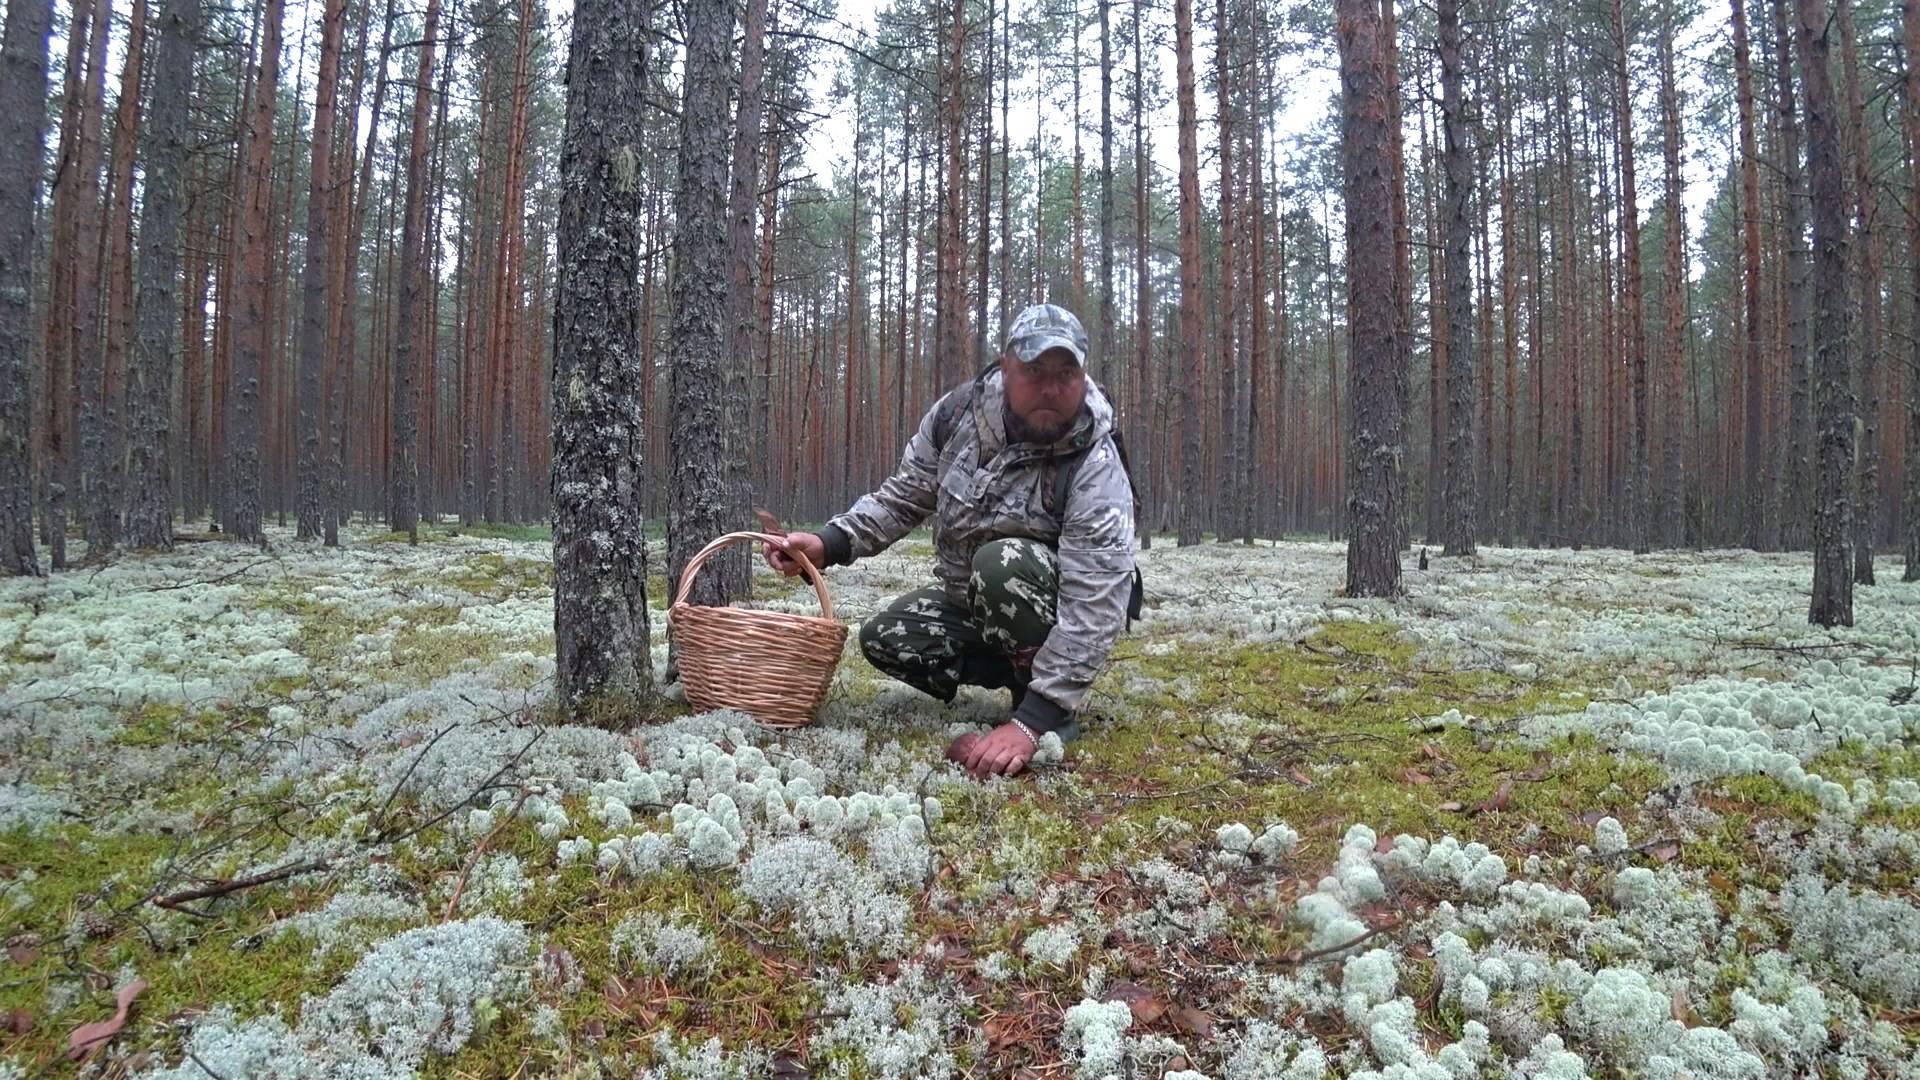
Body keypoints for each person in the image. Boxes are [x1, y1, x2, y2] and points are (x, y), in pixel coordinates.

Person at [766, 303, 1139, 777]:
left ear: (1083, 377)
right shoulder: (958, 415)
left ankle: (1048, 705)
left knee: (1000, 563)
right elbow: (904, 496)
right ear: (1006, 368)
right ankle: (1018, 671)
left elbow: (1096, 601)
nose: (1050, 387)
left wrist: (1032, 723)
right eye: (1034, 371)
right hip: (974, 601)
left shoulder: (1094, 459)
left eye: (1065, 374)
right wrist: (829, 543)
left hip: (1050, 602)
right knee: (887, 638)